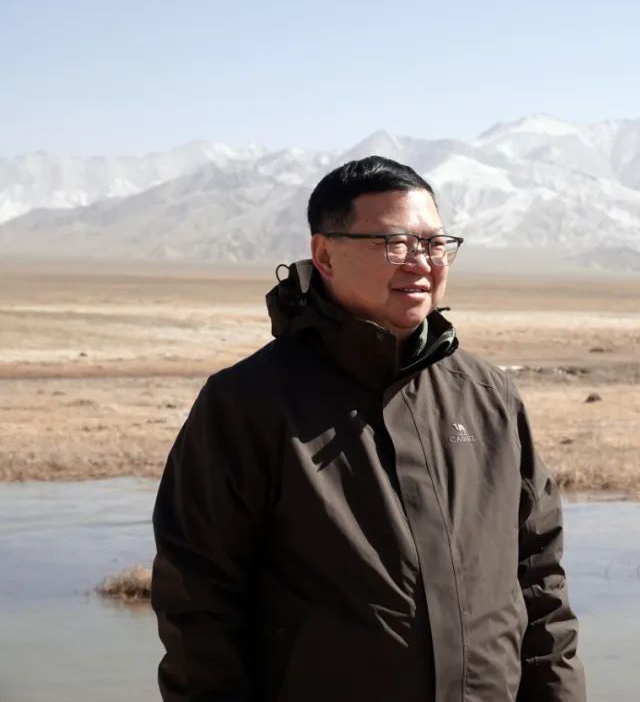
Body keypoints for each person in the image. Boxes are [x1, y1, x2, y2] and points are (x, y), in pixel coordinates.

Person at [150, 156, 586, 702]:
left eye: (434, 243)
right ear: (324, 255)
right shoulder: (248, 403)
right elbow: (197, 606)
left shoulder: (487, 396)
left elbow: (540, 581)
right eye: (395, 243)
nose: (420, 262)